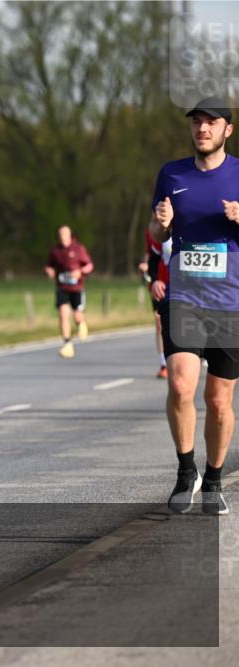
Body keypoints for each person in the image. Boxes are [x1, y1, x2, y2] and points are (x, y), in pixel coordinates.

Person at [149, 96, 238, 516]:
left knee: (219, 400)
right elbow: (155, 228)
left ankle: (214, 479)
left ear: (227, 130)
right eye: (197, 122)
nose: (202, 129)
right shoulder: (171, 174)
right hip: (185, 297)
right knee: (181, 386)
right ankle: (187, 472)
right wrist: (161, 224)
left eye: (211, 123)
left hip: (231, 302)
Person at [44, 225, 94, 358]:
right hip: (62, 288)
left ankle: (81, 324)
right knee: (63, 314)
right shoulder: (55, 251)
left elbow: (89, 266)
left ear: (70, 235)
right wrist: (49, 271)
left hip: (76, 288)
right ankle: (67, 344)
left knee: (77, 316)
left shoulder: (78, 249)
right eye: (60, 235)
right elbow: (49, 266)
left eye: (65, 234)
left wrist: (80, 272)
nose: (62, 237)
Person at [139, 228, 172, 378]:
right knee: (159, 322)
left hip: (186, 285)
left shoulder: (192, 227)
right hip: (162, 284)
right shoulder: (158, 230)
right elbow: (152, 255)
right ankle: (163, 363)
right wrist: (152, 277)